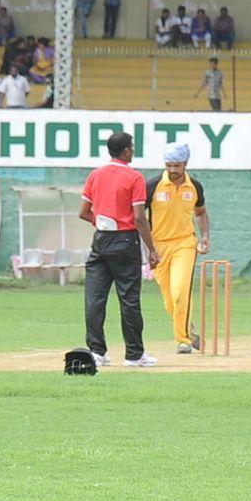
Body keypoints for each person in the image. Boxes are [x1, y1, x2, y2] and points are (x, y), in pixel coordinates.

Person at [80, 132, 160, 367]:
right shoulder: (134, 177)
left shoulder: (95, 175)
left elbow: (83, 212)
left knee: (95, 297)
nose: (132, 151)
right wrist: (152, 249)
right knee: (129, 299)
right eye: (131, 148)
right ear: (125, 150)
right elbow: (138, 218)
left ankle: (96, 352)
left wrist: (104, 223)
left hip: (101, 239)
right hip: (125, 241)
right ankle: (134, 355)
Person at [144, 142, 212, 355]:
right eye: (169, 165)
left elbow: (200, 213)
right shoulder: (153, 185)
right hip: (159, 246)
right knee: (169, 299)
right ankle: (189, 332)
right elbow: (138, 216)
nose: (172, 170)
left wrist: (205, 238)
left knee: (180, 292)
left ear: (185, 163)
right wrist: (147, 248)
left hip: (185, 244)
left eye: (177, 165)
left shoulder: (195, 186)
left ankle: (182, 341)